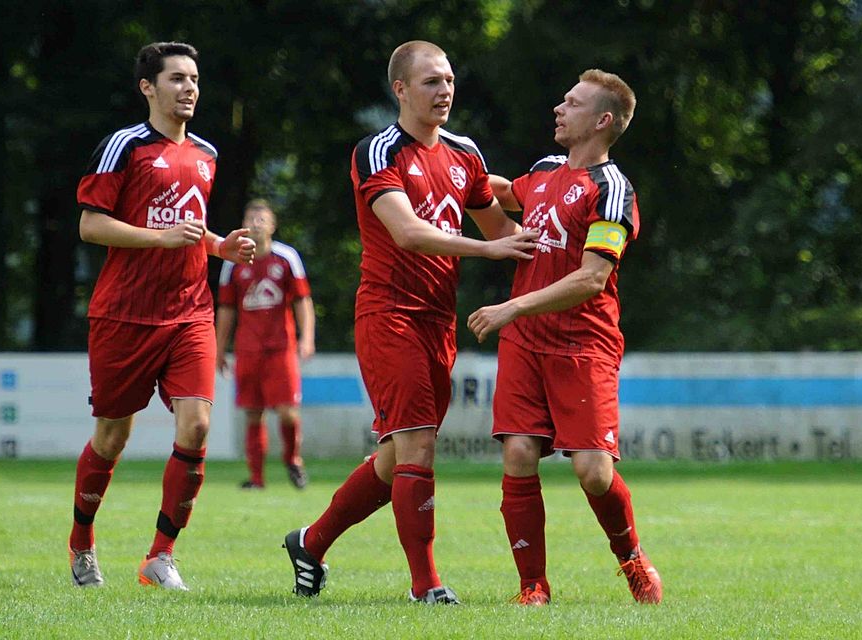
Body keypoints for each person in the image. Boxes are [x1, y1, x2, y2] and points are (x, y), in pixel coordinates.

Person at [283, 40, 539, 605]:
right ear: (400, 89)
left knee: (397, 456)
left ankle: (311, 542)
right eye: (431, 81)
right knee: (418, 445)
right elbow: (408, 233)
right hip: (388, 314)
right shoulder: (377, 151)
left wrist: (567, 225)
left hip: (437, 323)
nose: (444, 90)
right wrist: (491, 250)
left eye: (449, 80)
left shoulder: (464, 153)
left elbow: (503, 231)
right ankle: (426, 585)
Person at [467, 69, 662, 605]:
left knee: (593, 472)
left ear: (601, 121)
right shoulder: (547, 170)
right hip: (526, 343)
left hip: (584, 345)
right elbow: (506, 194)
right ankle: (534, 587)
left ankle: (632, 560)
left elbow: (592, 277)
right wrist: (457, 170)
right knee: (519, 454)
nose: (558, 108)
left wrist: (512, 306)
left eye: (571, 103)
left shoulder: (612, 190)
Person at [68, 41, 255, 591]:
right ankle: (82, 542)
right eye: (176, 79)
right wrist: (162, 238)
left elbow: (189, 229)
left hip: (189, 313)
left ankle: (160, 556)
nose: (189, 88)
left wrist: (220, 247)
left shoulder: (207, 154)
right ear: (148, 88)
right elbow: (91, 225)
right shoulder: (123, 146)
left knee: (196, 426)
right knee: (111, 437)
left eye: (194, 79)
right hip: (124, 316)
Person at [215, 199, 316, 490]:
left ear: (272, 225)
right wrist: (219, 349)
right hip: (247, 349)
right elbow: (226, 309)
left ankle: (292, 459)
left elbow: (302, 301)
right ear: (243, 224)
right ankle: (256, 478)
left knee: (287, 410)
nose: (256, 223)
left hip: (280, 347)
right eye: (251, 218)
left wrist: (306, 338)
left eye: (262, 219)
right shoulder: (232, 261)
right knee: (252, 412)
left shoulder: (286, 257)